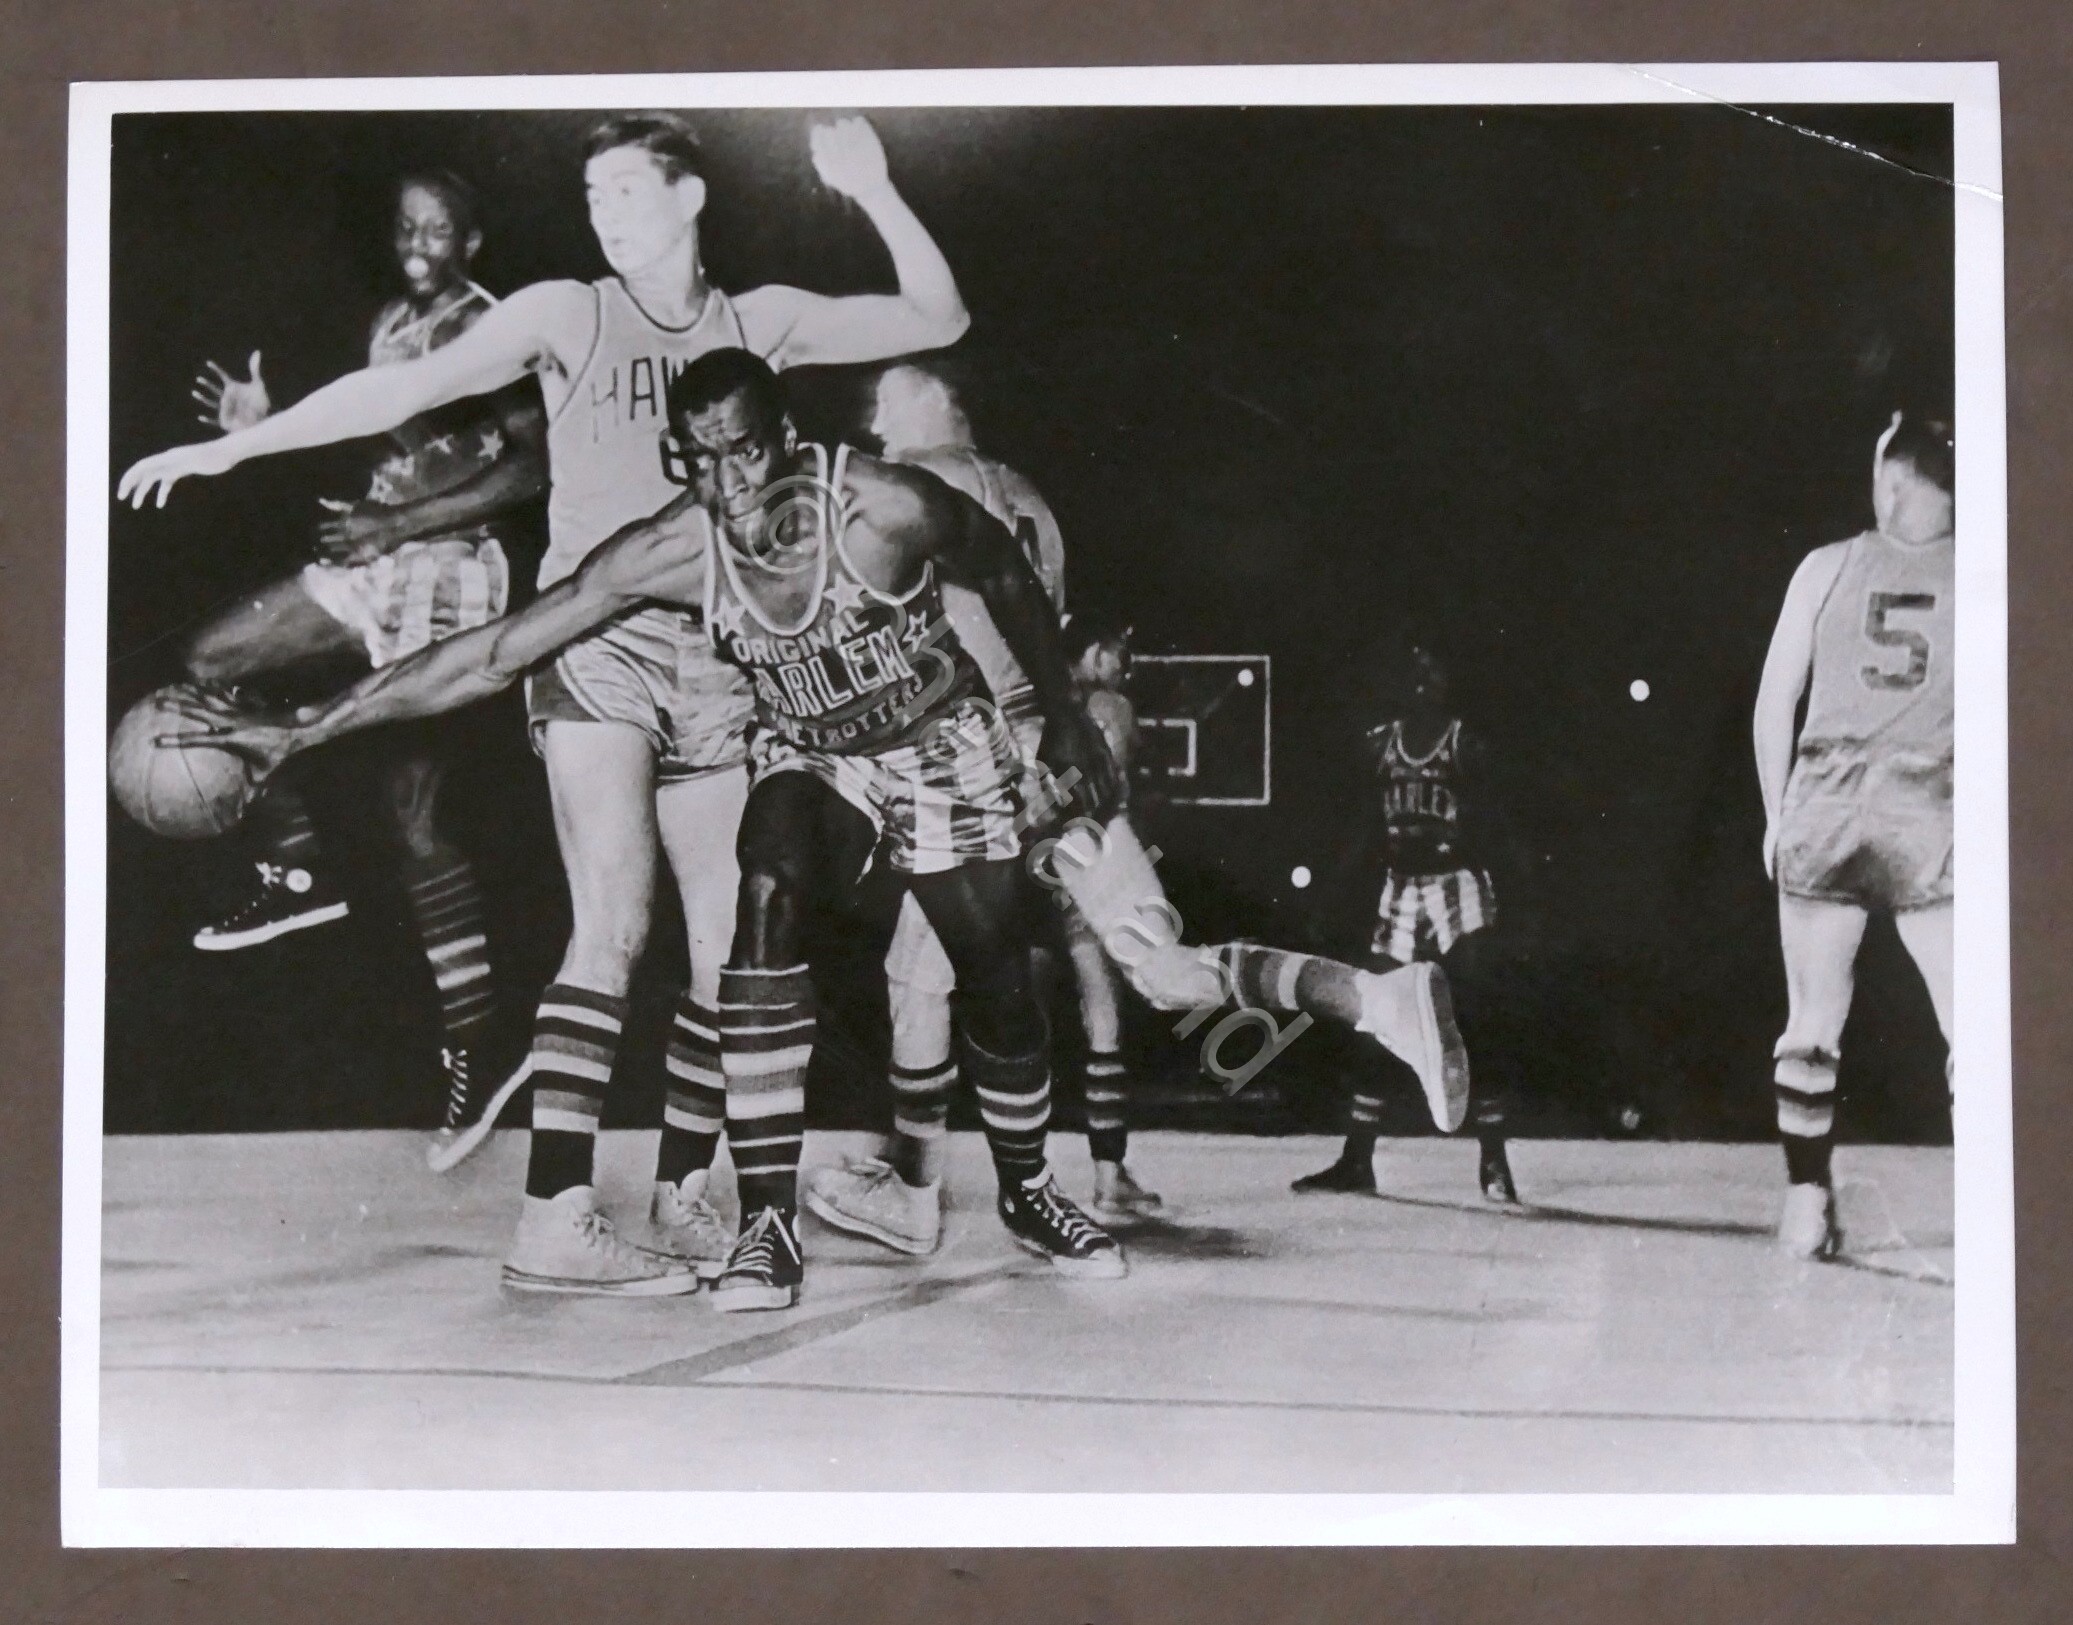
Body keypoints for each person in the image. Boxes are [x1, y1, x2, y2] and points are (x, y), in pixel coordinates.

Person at [120, 114, 971, 1294]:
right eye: (591, 195)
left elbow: (938, 317)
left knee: (725, 952)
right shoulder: (570, 314)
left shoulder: (756, 320)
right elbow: (401, 387)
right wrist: (232, 453)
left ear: (689, 197)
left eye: (625, 189)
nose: (603, 213)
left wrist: (872, 188)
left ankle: (682, 1189)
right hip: (592, 639)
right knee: (613, 917)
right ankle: (555, 1213)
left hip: (724, 657)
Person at [163, 347, 1128, 1310]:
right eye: (701, 460)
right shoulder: (675, 548)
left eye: (744, 452)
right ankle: (766, 1226)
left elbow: (1001, 569)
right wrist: (305, 727)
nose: (729, 484)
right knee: (764, 883)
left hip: (932, 736)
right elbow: (493, 653)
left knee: (994, 967)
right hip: (812, 750)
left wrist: (1066, 714)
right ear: (677, 458)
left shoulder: (880, 503)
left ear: (788, 439)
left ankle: (1029, 1189)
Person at [175, 169, 548, 1152]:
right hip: (379, 557)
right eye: (406, 227)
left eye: (439, 229)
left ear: (471, 241)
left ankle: (477, 1041)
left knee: (412, 813)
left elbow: (532, 464)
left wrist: (403, 521)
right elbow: (382, 445)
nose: (418, 244)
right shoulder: (391, 321)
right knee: (213, 656)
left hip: (454, 567)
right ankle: (297, 866)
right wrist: (260, 432)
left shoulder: (490, 325)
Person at [802, 366, 1159, 1258]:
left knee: (922, 972)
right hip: (1044, 745)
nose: (874, 427)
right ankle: (1350, 997)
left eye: (887, 403)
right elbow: (1039, 623)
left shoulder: (914, 485)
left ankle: (919, 1189)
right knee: (1128, 964)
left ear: (936, 403)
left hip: (972, 745)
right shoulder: (1032, 496)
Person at [1754, 412, 1954, 1259]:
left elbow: (1774, 701)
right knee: (1972, 1029)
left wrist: (1776, 815)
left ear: (1894, 482)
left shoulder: (1825, 566)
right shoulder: (1983, 572)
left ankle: (1805, 1204)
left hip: (1826, 800)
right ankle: (1992, 1209)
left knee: (1810, 1022)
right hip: (1926, 802)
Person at [1294, 638, 1521, 1203]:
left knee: (1475, 1016)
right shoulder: (1380, 745)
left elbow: (1498, 824)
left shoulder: (1464, 744)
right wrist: (1333, 894)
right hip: (1401, 889)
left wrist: (1515, 899)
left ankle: (1494, 1158)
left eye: (1433, 672)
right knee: (1376, 1014)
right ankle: (1357, 1158)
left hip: (1455, 885)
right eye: (1414, 672)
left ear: (1448, 681)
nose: (1423, 683)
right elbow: (1364, 829)